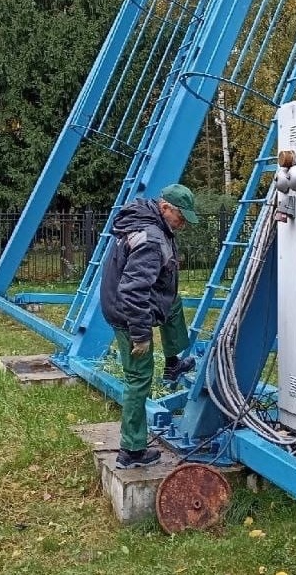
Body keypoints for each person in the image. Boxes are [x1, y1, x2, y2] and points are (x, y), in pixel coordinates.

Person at [100, 183, 201, 468]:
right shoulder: (151, 240)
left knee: (173, 302)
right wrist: (141, 335)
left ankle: (173, 361)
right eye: (181, 218)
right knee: (139, 378)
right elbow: (133, 291)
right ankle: (131, 451)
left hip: (128, 301)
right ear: (166, 207)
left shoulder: (148, 222)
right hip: (127, 313)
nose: (182, 225)